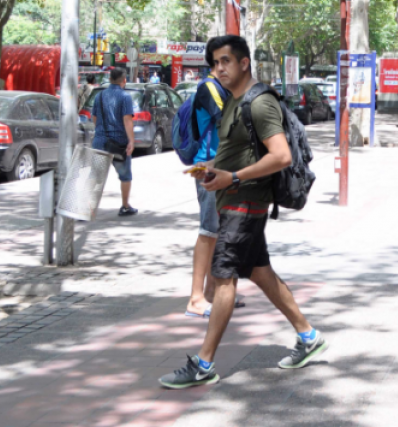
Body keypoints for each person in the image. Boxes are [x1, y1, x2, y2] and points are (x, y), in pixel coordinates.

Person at [160, 35, 326, 389]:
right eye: (214, 63)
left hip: (244, 203)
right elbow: (239, 152)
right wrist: (211, 167)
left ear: (244, 63)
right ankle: (308, 336)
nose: (218, 69)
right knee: (261, 273)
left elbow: (280, 155)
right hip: (234, 201)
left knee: (222, 280)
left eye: (225, 61)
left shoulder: (259, 102)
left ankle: (203, 364)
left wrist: (232, 177)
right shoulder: (234, 101)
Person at [184, 66, 230, 318]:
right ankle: (196, 298)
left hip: (219, 165)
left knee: (218, 231)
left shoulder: (220, 87)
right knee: (209, 231)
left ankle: (211, 293)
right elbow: (227, 121)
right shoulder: (210, 87)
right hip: (210, 165)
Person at [92, 68, 138, 216]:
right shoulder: (125, 97)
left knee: (95, 176)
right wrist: (131, 140)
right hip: (119, 143)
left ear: (110, 79)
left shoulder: (98, 97)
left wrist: (101, 132)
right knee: (125, 176)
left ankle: (89, 209)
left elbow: (94, 118)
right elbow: (127, 120)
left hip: (99, 141)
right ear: (124, 80)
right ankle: (125, 206)